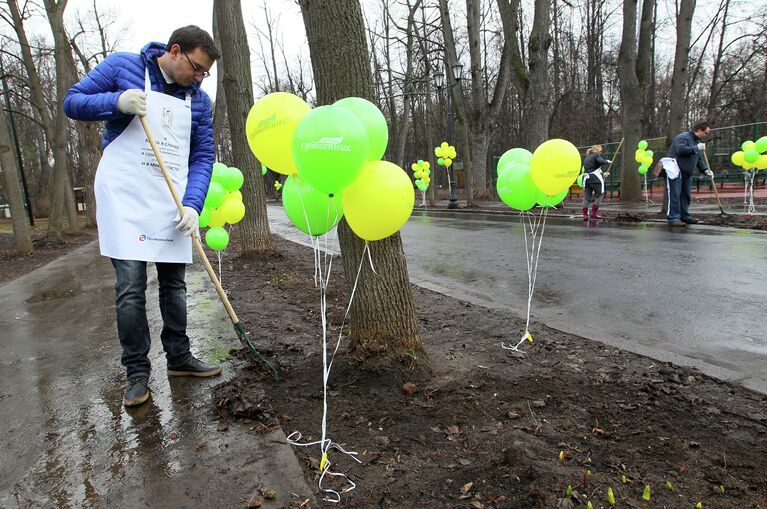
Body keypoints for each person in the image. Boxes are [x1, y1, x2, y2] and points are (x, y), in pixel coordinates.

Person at [63, 26, 222, 407]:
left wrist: (193, 204)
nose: (199, 79)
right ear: (176, 51)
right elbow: (72, 102)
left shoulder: (198, 101)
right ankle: (137, 374)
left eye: (205, 74)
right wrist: (116, 102)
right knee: (131, 287)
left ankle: (179, 357)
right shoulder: (123, 67)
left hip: (168, 198)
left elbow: (202, 156)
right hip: (127, 197)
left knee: (174, 285)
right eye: (197, 69)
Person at [665, 121, 713, 227]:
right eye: (706, 133)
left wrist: (705, 169)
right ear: (699, 130)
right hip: (676, 170)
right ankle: (673, 217)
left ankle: (684, 216)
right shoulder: (683, 137)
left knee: (686, 195)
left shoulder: (696, 142)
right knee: (675, 195)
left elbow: (698, 158)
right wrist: (696, 148)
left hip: (687, 172)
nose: (706, 135)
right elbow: (680, 150)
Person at [581, 145, 612, 220]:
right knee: (599, 195)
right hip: (595, 180)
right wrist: (607, 161)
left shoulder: (587, 157)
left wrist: (603, 174)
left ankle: (585, 214)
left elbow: (592, 169)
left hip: (586, 179)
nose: (601, 153)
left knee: (587, 198)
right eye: (600, 151)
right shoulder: (596, 156)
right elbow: (601, 162)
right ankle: (593, 213)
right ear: (598, 151)